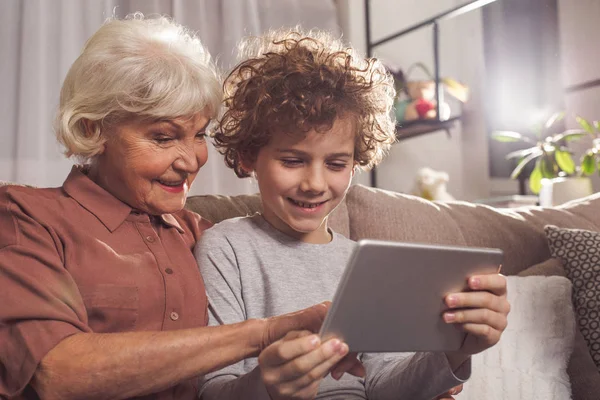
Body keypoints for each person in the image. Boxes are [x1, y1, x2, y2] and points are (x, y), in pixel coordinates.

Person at [0, 15, 359, 400]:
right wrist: (265, 332)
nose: (191, 161)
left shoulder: (206, 235)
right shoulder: (26, 215)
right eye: (164, 137)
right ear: (93, 129)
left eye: (199, 134)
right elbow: (58, 373)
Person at [195, 28, 510, 400]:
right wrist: (267, 384)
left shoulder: (363, 262)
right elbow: (211, 390)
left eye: (335, 163)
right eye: (293, 161)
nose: (315, 183)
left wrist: (456, 350)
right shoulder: (225, 247)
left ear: (356, 162)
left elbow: (384, 386)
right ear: (249, 156)